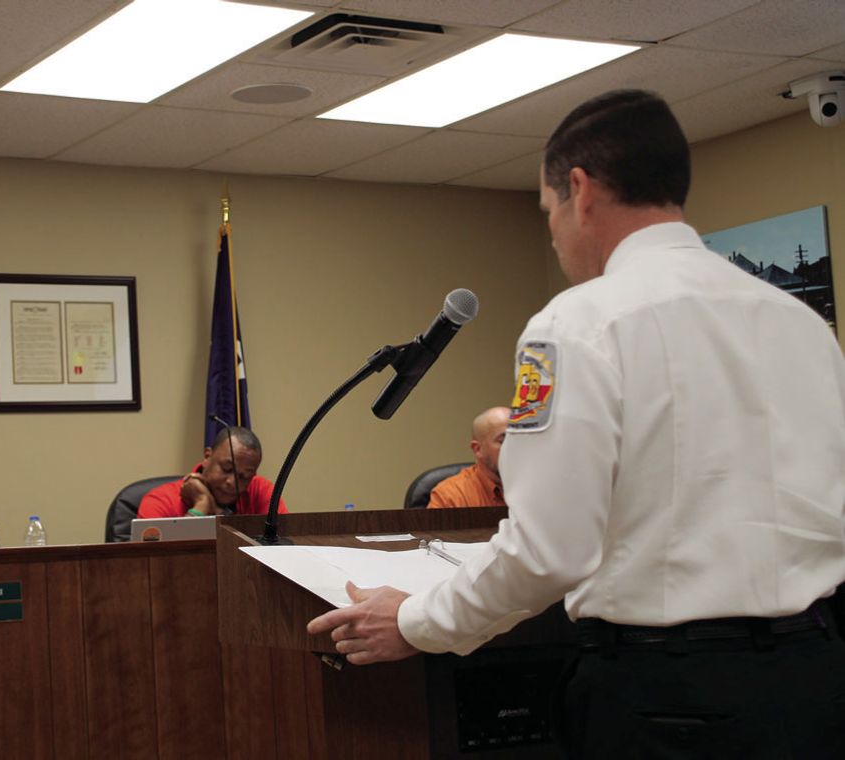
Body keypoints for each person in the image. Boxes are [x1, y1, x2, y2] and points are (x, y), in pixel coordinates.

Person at [307, 90, 845, 757]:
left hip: (672, 701)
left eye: (548, 210)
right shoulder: (801, 324)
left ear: (581, 191)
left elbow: (549, 548)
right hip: (817, 679)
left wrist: (417, 620)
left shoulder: (573, 324)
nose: (554, 232)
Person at [137, 426, 288, 517]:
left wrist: (217, 511)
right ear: (207, 456)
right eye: (226, 469)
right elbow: (153, 563)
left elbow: (283, 546)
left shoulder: (261, 491)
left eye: (244, 477)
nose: (232, 483)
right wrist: (201, 505)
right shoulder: (160, 501)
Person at [427, 406, 509, 508]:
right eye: (503, 441)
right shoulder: (451, 496)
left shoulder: (533, 487)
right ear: (477, 449)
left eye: (519, 441)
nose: (515, 448)